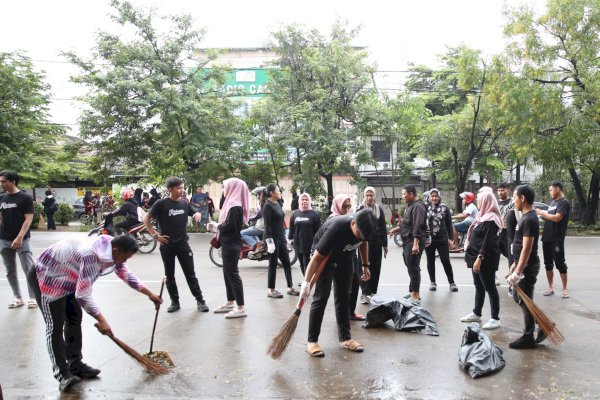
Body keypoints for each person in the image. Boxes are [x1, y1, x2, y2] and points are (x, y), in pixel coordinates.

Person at [26, 234, 162, 391]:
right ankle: (62, 374)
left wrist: (149, 293)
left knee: (74, 318)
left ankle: (75, 364)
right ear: (117, 251)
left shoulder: (112, 248)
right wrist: (102, 319)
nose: (125, 261)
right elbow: (83, 294)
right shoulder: (91, 255)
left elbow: (125, 273)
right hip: (45, 277)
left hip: (69, 277)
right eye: (125, 257)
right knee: (55, 325)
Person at [300, 209, 376, 357]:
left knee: (343, 297)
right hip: (325, 258)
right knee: (321, 298)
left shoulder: (365, 227)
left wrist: (365, 265)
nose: (361, 237)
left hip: (345, 257)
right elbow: (316, 258)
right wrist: (306, 283)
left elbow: (363, 242)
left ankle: (345, 338)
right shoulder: (336, 228)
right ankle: (312, 341)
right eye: (359, 234)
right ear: (353, 222)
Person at [144, 177, 209, 313]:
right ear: (170, 189)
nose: (182, 190)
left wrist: (197, 213)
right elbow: (146, 218)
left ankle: (200, 300)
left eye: (182, 187)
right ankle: (175, 302)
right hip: (167, 244)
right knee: (169, 275)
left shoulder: (184, 204)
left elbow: (193, 212)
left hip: (182, 244)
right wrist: (155, 235)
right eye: (179, 188)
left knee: (190, 273)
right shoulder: (161, 203)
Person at [460, 188, 502, 330]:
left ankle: (495, 318)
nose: (477, 202)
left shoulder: (491, 219)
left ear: (486, 201)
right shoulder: (481, 216)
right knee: (478, 286)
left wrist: (479, 258)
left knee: (489, 287)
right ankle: (477, 313)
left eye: (479, 200)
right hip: (475, 256)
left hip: (485, 258)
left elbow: (488, 241)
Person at [507, 185, 543, 349]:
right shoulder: (525, 216)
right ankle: (540, 324)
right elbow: (520, 245)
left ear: (522, 198)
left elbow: (527, 248)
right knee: (520, 298)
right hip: (522, 265)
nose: (513, 201)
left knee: (524, 300)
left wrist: (518, 271)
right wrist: (514, 264)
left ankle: (528, 336)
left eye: (514, 197)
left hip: (528, 268)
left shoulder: (529, 218)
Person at [208, 178, 249, 318]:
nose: (223, 190)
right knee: (227, 273)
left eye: (225, 187)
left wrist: (216, 225)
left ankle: (241, 307)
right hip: (228, 243)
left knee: (232, 273)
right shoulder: (232, 204)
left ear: (233, 188)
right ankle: (230, 302)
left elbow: (231, 226)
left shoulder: (234, 205)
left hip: (231, 244)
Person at [0, 170, 37, 309]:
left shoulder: (25, 198)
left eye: (4, 181)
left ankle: (33, 297)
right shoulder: (1, 198)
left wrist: (20, 237)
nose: (1, 184)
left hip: (22, 239)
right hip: (4, 239)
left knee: (29, 269)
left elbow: (28, 219)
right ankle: (17, 297)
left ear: (13, 181)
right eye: (1, 181)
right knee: (10, 270)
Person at [388, 184, 427, 305]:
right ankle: (413, 291)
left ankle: (415, 295)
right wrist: (396, 229)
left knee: (413, 267)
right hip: (407, 241)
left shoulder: (418, 207)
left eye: (404, 194)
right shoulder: (410, 206)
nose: (402, 196)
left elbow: (417, 225)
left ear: (411, 194)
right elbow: (407, 223)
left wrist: (415, 244)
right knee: (411, 266)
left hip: (413, 241)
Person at [263, 183, 298, 298]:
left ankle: (290, 287)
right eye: (278, 190)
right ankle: (271, 290)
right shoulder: (267, 206)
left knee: (287, 263)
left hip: (281, 238)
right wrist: (269, 242)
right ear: (272, 193)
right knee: (272, 264)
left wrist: (286, 237)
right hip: (272, 239)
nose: (280, 192)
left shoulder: (277, 203)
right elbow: (267, 226)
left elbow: (280, 222)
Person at [537, 181, 571, 299]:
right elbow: (549, 214)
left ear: (557, 189)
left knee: (560, 263)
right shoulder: (552, 202)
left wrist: (541, 213)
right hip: (546, 237)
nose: (550, 192)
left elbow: (557, 218)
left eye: (551, 190)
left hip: (557, 239)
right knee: (548, 264)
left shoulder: (564, 202)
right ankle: (550, 287)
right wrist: (541, 213)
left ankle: (565, 288)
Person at [357, 187, 388, 305]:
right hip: (363, 244)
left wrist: (385, 244)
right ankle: (365, 293)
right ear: (364, 196)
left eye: (371, 195)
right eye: (367, 195)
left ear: (374, 196)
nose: (369, 197)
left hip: (376, 244)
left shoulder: (379, 209)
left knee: (375, 268)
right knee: (363, 267)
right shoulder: (360, 209)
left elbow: (383, 228)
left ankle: (373, 292)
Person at [424, 188, 458, 292]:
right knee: (430, 261)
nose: (434, 198)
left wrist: (451, 238)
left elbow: (449, 224)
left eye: (436, 196)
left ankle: (452, 282)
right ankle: (433, 282)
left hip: (442, 238)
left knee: (445, 260)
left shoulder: (445, 208)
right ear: (429, 197)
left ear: (439, 197)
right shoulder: (424, 207)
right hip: (429, 239)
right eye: (432, 196)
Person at [288, 193, 321, 278]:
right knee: (301, 263)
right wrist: (289, 238)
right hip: (298, 243)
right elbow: (291, 227)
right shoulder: (295, 213)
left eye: (306, 200)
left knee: (306, 262)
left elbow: (319, 230)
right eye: (302, 199)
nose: (304, 201)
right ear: (299, 201)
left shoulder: (314, 214)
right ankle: (305, 279)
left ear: (309, 201)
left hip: (310, 243)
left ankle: (307, 281)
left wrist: (317, 243)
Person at [496, 182, 514, 285]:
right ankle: (494, 276)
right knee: (494, 254)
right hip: (497, 231)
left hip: (509, 231)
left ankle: (511, 275)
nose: (500, 192)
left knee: (510, 254)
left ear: (508, 190)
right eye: (498, 190)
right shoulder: (495, 203)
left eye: (502, 190)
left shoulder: (513, 202)